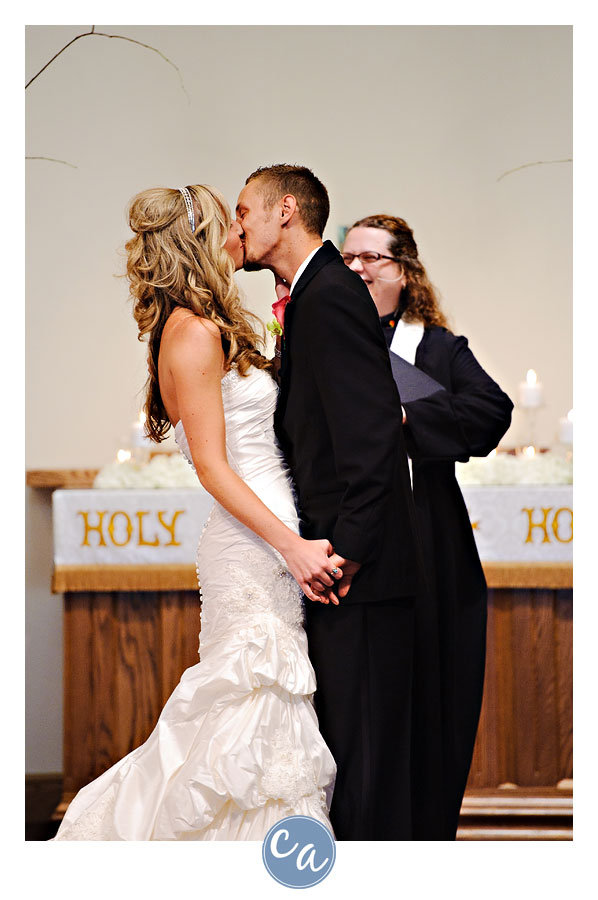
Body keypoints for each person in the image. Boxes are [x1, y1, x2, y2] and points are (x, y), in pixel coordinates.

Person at [52, 184, 337, 841]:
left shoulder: (195, 325)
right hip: (255, 544)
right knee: (246, 723)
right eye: (230, 221)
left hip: (261, 536)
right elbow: (212, 467)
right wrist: (290, 547)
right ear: (204, 241)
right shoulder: (195, 334)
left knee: (262, 727)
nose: (242, 232)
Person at [236, 165, 425, 840]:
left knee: (368, 767)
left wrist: (344, 553)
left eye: (244, 211)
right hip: (339, 566)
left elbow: (374, 440)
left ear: (285, 210)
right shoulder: (311, 294)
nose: (240, 227)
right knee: (349, 756)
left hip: (360, 575)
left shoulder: (331, 295)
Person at [342, 214, 514, 838]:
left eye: (372, 259)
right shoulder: (323, 339)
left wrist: (403, 416)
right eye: (349, 259)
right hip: (347, 543)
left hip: (427, 539)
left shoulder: (436, 348)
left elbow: (491, 412)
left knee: (432, 690)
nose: (357, 269)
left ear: (405, 270)